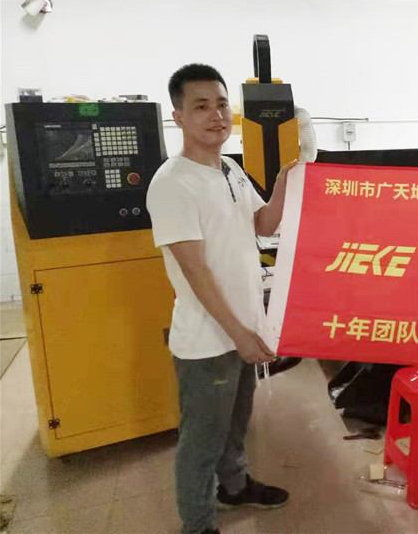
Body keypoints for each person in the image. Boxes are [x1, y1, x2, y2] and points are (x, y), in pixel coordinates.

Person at [146, 63, 297, 534]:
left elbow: (263, 225)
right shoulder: (172, 183)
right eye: (200, 106)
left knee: (236, 423)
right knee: (202, 439)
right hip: (208, 340)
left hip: (242, 329)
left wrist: (284, 183)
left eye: (220, 104)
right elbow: (196, 273)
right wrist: (240, 334)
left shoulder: (229, 169)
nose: (215, 115)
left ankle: (234, 487)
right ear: (178, 116)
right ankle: (197, 524)